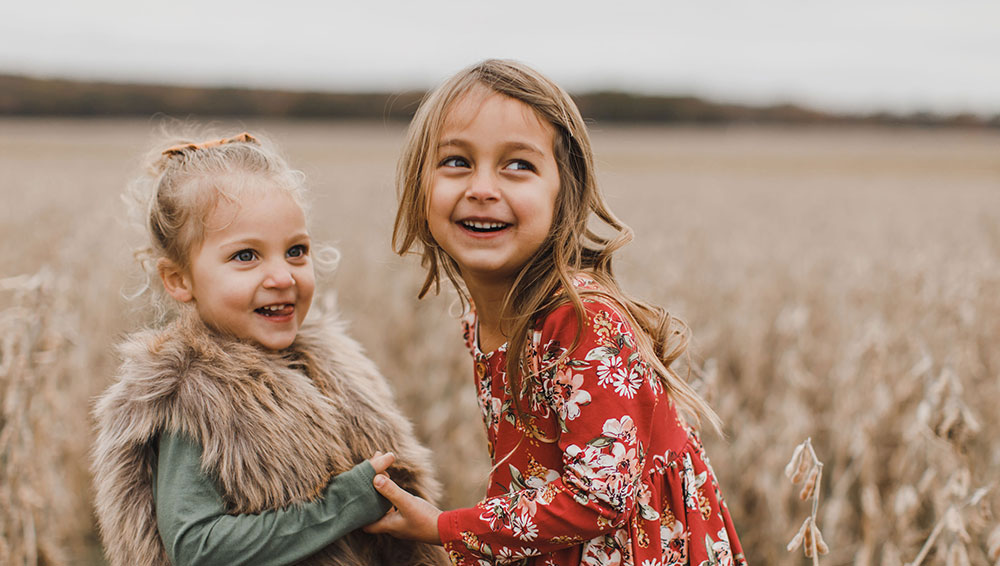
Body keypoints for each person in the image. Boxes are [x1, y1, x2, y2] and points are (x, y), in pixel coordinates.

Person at [367, 60, 748, 566]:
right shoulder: (483, 317)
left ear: (562, 192)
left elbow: (601, 498)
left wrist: (444, 528)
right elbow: (530, 472)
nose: (482, 187)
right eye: (456, 161)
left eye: (518, 165)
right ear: (419, 186)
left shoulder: (582, 320)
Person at [91, 131, 449, 566]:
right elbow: (197, 548)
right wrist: (344, 503)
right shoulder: (192, 393)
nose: (283, 276)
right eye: (246, 256)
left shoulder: (332, 363)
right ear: (179, 280)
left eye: (296, 251)